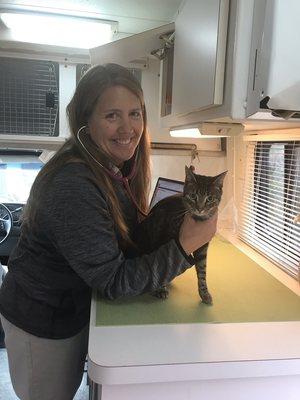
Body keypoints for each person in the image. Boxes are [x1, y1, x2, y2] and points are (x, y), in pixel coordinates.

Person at [0, 63, 218, 400]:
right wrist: (184, 245)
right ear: (86, 122)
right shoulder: (74, 184)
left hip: (71, 304)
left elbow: (113, 244)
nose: (128, 128)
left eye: (134, 113)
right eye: (112, 115)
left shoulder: (111, 167)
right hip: (42, 321)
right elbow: (114, 280)